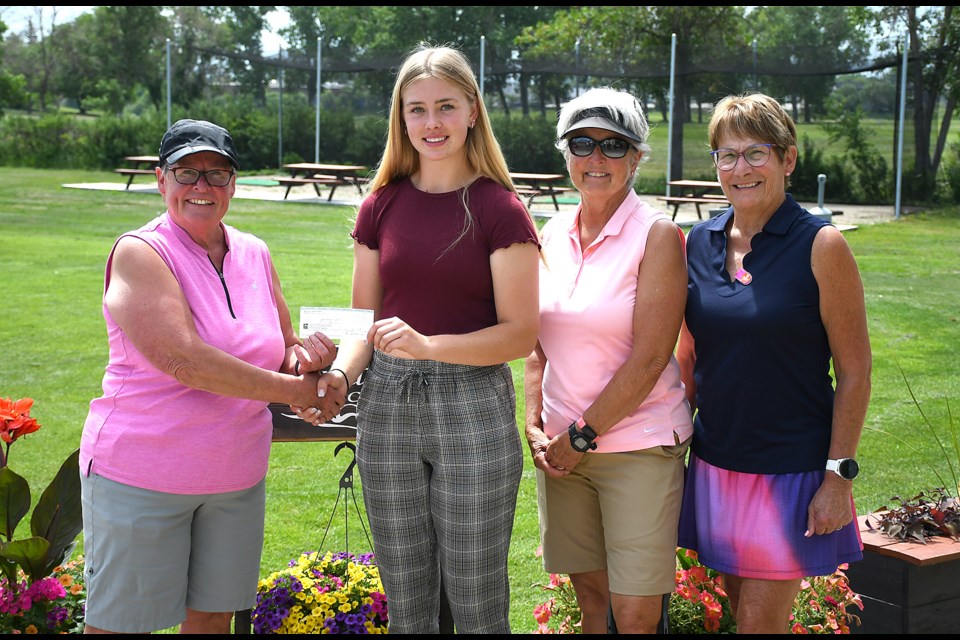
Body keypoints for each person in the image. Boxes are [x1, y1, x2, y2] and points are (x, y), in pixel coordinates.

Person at [79, 118, 341, 634]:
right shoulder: (140, 251)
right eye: (187, 172)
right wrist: (296, 392)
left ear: (234, 184)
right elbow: (185, 361)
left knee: (212, 619)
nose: (202, 186)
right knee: (119, 625)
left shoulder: (254, 252)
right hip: (144, 473)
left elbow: (281, 345)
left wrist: (311, 361)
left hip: (235, 475)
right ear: (162, 180)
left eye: (217, 174)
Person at [311, 44, 540, 633]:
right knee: (407, 597)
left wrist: (429, 345)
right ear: (401, 118)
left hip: (473, 406)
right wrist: (338, 377)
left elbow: (520, 334)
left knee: (476, 595)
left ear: (472, 112)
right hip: (386, 404)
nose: (431, 123)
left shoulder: (500, 209)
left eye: (445, 107)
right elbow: (364, 323)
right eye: (417, 110)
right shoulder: (380, 205)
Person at [675, 92, 872, 634]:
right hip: (717, 465)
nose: (741, 168)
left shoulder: (822, 245)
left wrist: (838, 478)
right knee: (743, 613)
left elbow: (854, 371)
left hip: (791, 471)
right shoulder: (699, 242)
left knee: (759, 624)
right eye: (726, 155)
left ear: (787, 159)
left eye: (756, 152)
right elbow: (689, 353)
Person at [523, 86, 693, 634]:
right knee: (591, 598)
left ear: (637, 157)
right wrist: (533, 421)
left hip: (636, 447)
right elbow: (538, 343)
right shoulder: (550, 232)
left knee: (637, 611)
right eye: (582, 143)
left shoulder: (658, 235)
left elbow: (650, 360)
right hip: (561, 452)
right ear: (565, 152)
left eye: (613, 145)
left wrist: (579, 436)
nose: (596, 159)